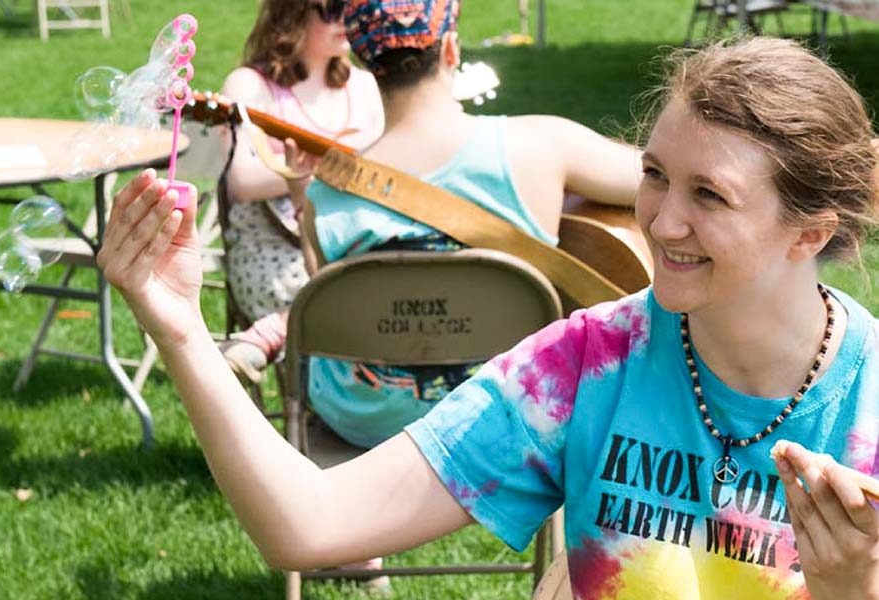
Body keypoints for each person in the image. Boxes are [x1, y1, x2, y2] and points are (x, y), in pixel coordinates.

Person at [97, 35, 879, 600]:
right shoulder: (589, 362)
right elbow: (308, 524)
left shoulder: (868, 399)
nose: (662, 222)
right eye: (653, 175)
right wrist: (181, 329)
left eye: (708, 195)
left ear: (809, 233)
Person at [226, 0, 643, 450]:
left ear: (364, 59)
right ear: (450, 48)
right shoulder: (542, 146)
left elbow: (330, 314)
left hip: (362, 418)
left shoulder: (324, 197)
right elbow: (657, 177)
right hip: (508, 412)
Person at [217, 0, 384, 385]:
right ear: (291, 13)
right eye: (331, 8)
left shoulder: (364, 85)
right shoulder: (250, 85)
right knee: (367, 299)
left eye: (353, 5)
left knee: (395, 286)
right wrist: (327, 167)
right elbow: (241, 180)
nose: (345, 18)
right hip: (274, 250)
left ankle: (274, 338)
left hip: (352, 243)